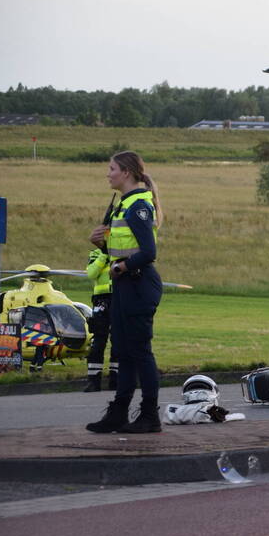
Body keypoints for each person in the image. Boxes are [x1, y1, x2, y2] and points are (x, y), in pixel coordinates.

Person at [86, 151, 163, 434]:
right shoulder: (123, 205)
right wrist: (100, 245)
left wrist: (123, 267)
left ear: (126, 172)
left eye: (112, 168)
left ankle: (150, 416)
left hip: (138, 284)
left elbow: (148, 252)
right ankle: (119, 413)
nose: (108, 173)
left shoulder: (138, 207)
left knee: (140, 351)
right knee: (123, 351)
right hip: (124, 285)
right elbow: (121, 248)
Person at [83, 245, 118, 392]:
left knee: (119, 340)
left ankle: (116, 380)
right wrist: (104, 255)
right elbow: (91, 273)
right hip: (101, 301)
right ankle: (93, 381)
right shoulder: (96, 253)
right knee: (98, 340)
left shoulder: (121, 253)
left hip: (120, 298)